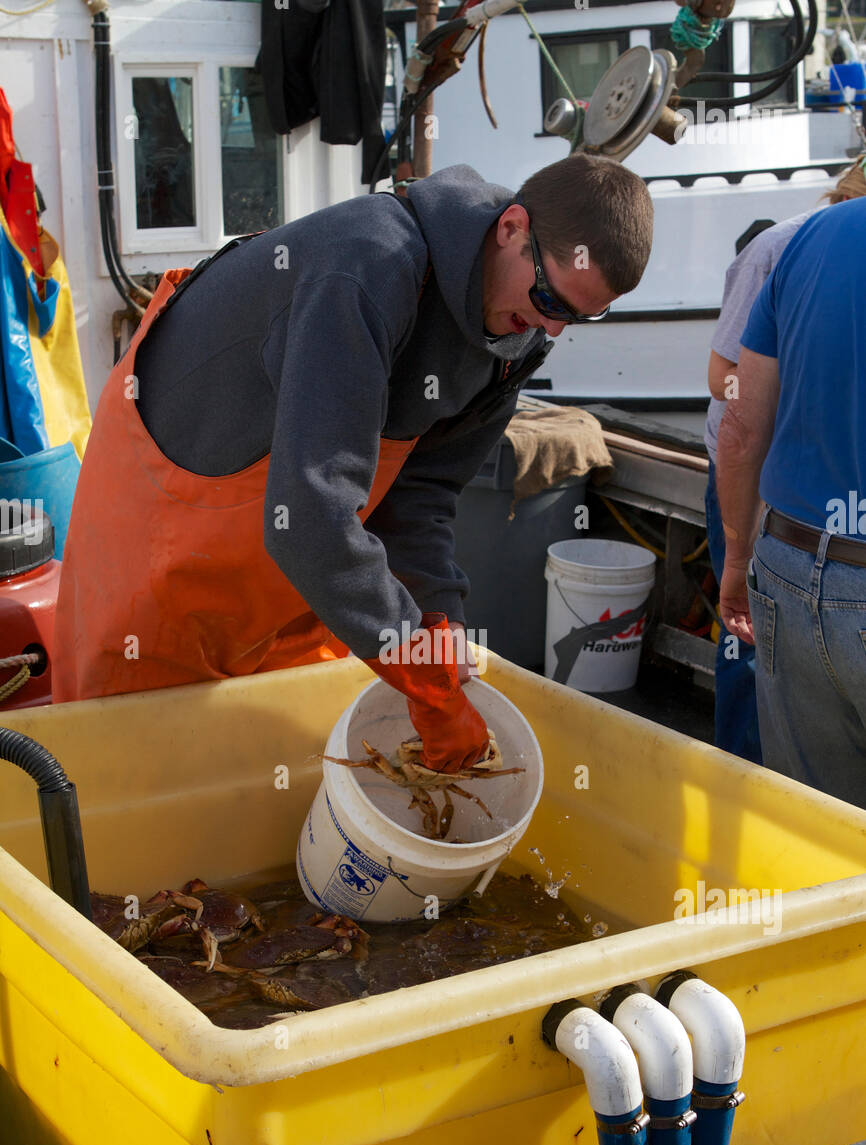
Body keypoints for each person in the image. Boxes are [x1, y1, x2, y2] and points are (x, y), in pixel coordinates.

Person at [53, 155, 653, 772]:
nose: (550, 330)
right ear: (512, 228)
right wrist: (423, 680)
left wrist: (441, 635)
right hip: (169, 534)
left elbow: (418, 502)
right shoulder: (365, 263)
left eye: (577, 316)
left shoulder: (515, 340)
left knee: (286, 771)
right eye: (549, 296)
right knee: (133, 779)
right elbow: (308, 520)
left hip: (299, 561)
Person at [704, 154, 866, 764]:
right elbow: (728, 390)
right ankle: (735, 770)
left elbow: (743, 423)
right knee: (739, 663)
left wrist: (739, 558)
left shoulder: (810, 241)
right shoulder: (783, 244)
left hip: (793, 550)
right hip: (775, 519)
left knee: (814, 817)